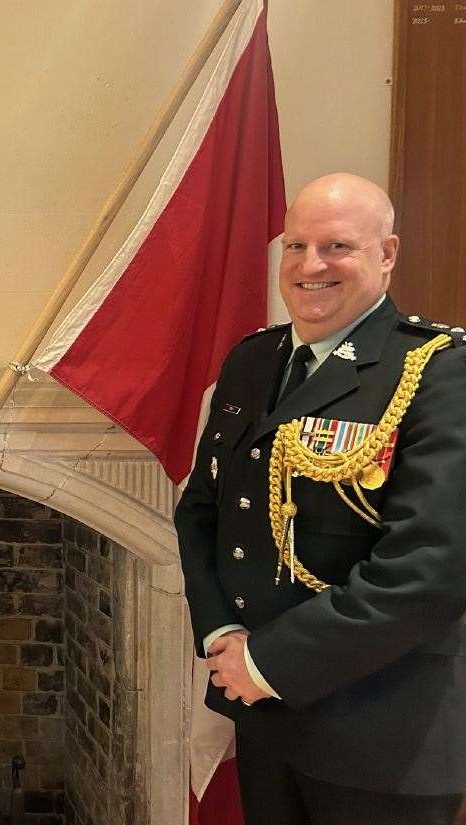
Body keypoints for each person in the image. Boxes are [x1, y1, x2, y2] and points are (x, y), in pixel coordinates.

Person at [176, 173, 466, 825]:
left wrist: (265, 659)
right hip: (266, 717)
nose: (312, 265)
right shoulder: (254, 361)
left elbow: (431, 571)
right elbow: (202, 510)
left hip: (384, 737)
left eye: (337, 246)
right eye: (297, 245)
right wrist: (222, 631)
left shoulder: (441, 372)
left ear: (387, 254)